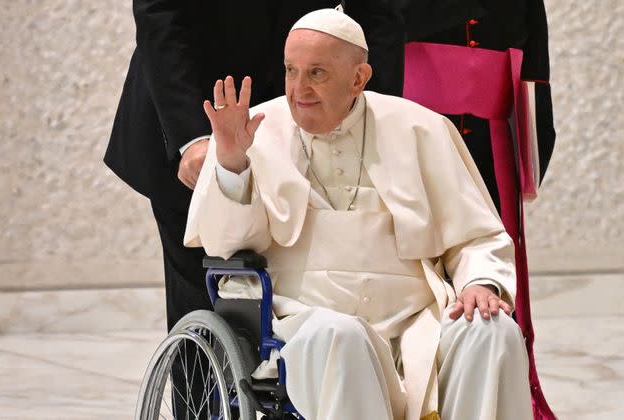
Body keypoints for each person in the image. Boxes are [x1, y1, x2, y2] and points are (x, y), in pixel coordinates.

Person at [185, 9, 532, 420]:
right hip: (304, 320)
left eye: (317, 73)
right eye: (291, 70)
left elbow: (476, 236)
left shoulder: (421, 128)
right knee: (341, 336)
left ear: (359, 78)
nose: (299, 89)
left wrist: (481, 281)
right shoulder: (253, 131)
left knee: (491, 332)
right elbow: (227, 244)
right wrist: (231, 162)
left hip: (419, 323)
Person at [103, 2, 403, 417]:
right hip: (198, 111)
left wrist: (376, 119)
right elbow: (161, 17)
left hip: (307, 116)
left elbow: (380, 15)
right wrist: (192, 139)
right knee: (205, 280)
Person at [399, 2, 556, 417]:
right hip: (413, 144)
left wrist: (537, 147)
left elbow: (534, 67)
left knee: (488, 268)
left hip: (490, 148)